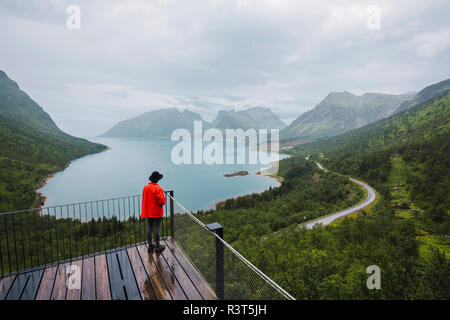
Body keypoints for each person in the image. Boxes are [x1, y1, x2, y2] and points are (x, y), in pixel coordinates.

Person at [141, 171, 166, 253]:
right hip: (157, 212)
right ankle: (158, 247)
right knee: (157, 228)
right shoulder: (158, 188)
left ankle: (150, 245)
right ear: (158, 180)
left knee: (150, 227)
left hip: (149, 211)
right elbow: (162, 201)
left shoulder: (146, 187)